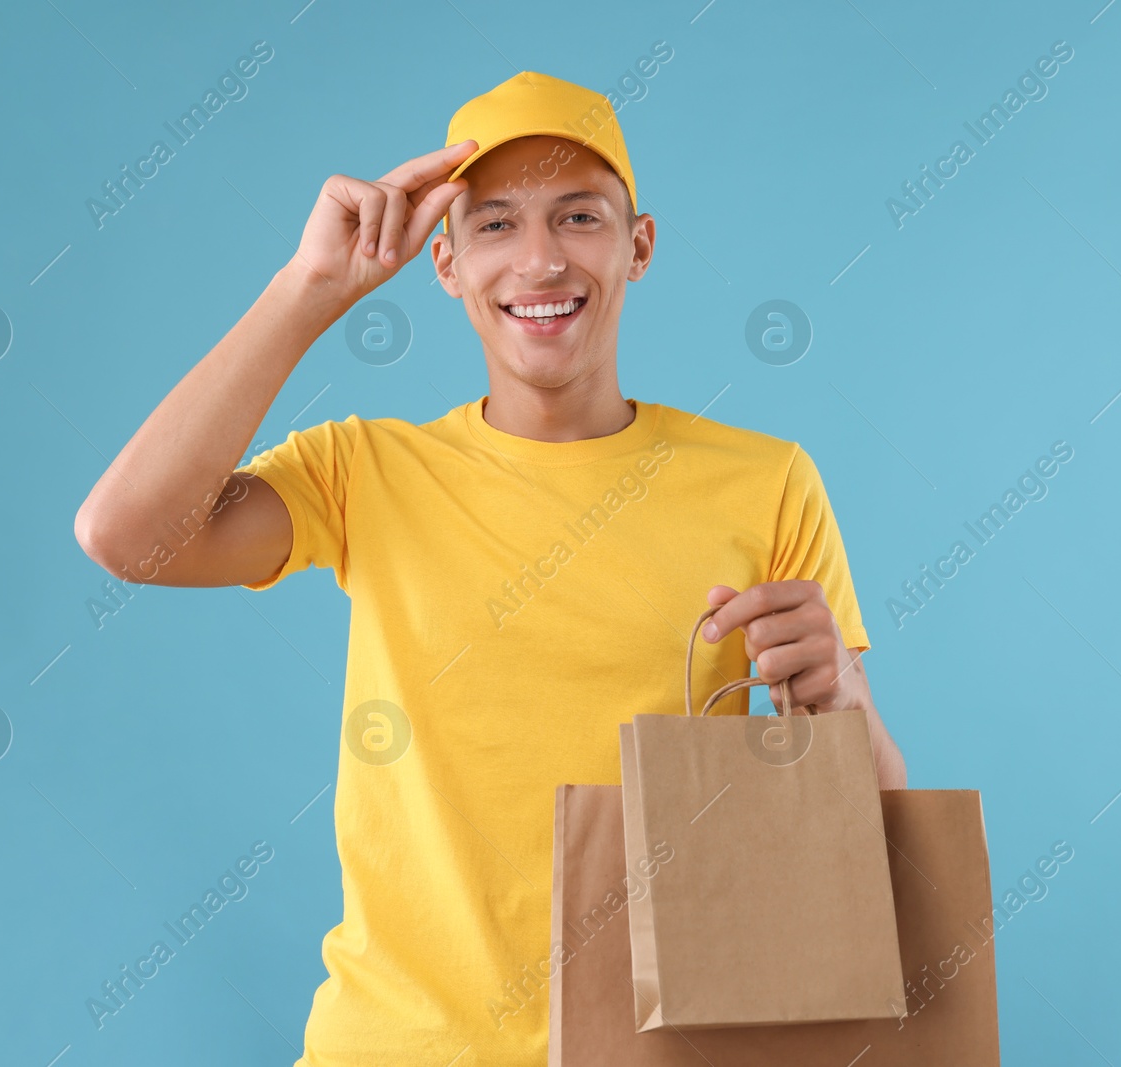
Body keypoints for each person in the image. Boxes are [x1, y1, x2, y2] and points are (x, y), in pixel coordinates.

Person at [74, 70, 905, 1067]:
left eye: (579, 216)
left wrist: (841, 691)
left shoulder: (765, 481)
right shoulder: (364, 473)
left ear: (638, 245)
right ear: (445, 263)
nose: (541, 258)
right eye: (497, 223)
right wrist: (307, 292)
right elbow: (126, 535)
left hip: (662, 1046)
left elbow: (870, 842)